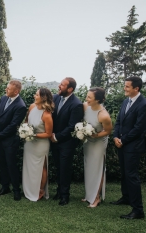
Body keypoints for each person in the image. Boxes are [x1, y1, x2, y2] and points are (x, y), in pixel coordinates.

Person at [111, 76, 146, 219]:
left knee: (132, 176)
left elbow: (139, 129)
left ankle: (138, 210)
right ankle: (126, 197)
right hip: (122, 144)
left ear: (136, 88)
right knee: (124, 174)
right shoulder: (125, 101)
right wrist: (115, 136)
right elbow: (118, 121)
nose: (124, 88)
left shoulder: (144, 105)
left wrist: (123, 140)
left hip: (133, 146)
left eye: (127, 86)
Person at [50, 77, 84, 206]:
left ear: (70, 89)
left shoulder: (76, 104)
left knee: (65, 169)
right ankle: (59, 191)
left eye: (62, 85)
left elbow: (72, 126)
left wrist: (57, 136)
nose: (59, 86)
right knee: (58, 167)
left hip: (67, 143)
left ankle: (65, 195)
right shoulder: (55, 98)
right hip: (54, 140)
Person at [0, 80, 27, 201]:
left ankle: (16, 190)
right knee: (2, 164)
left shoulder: (21, 106)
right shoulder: (3, 98)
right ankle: (5, 187)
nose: (6, 90)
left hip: (10, 140)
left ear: (16, 91)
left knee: (11, 165)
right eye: (6, 88)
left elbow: (13, 125)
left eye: (8, 89)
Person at [81, 87, 112, 208]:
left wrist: (95, 135)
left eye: (89, 97)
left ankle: (96, 197)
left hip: (99, 143)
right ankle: (89, 194)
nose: (86, 99)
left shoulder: (104, 115)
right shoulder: (85, 106)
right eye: (87, 96)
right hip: (88, 142)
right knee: (89, 168)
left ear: (98, 100)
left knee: (97, 169)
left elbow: (108, 131)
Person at [22, 88, 54, 202]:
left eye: (36, 95)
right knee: (29, 166)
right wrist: (25, 130)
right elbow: (27, 121)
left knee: (41, 167)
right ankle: (29, 188)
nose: (34, 96)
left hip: (41, 144)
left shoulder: (47, 114)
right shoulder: (31, 107)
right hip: (29, 143)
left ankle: (40, 190)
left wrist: (33, 135)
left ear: (43, 98)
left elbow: (48, 133)